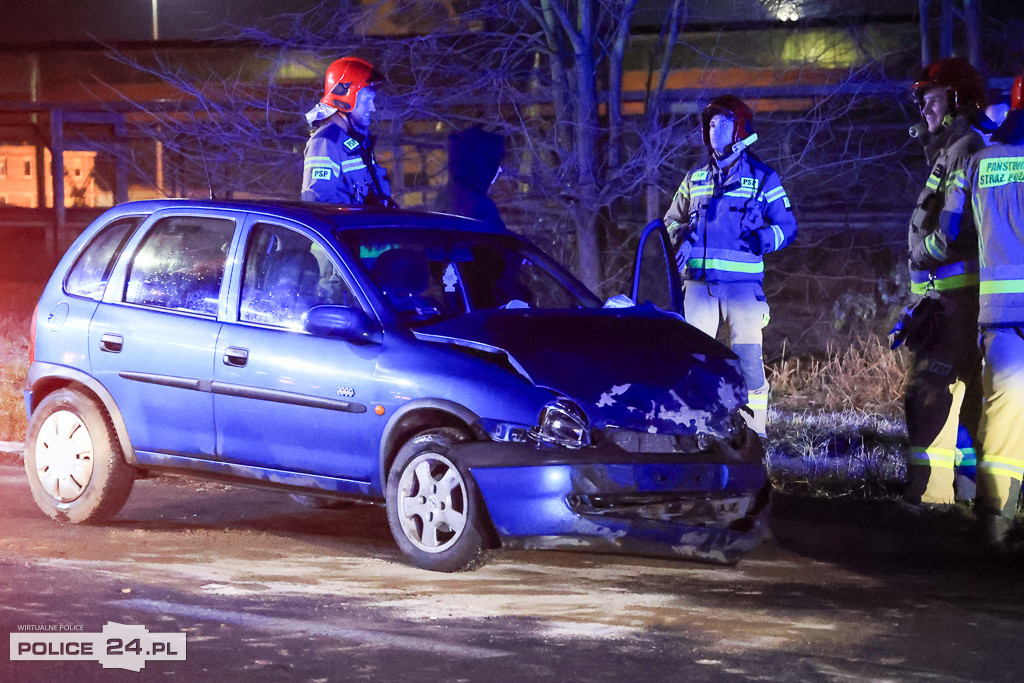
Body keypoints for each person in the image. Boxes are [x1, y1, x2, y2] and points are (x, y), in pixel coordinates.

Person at [663, 95, 797, 437]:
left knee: (749, 364)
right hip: (697, 287)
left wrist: (764, 240)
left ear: (739, 130)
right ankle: (694, 433)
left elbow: (788, 226)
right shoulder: (694, 180)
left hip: (742, 289)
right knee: (692, 362)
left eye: (722, 123)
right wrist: (682, 237)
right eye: (710, 124)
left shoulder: (764, 179)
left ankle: (755, 434)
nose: (713, 130)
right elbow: (669, 222)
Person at [929, 72, 1024, 547]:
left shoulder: (980, 161)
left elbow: (949, 234)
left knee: (1005, 415)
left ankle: (995, 523)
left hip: (999, 312)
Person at [900, 59, 988, 508]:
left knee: (927, 395)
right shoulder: (952, 148)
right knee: (962, 399)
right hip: (948, 300)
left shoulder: (964, 147)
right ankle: (962, 495)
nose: (925, 110)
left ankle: (924, 499)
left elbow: (955, 232)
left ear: (958, 100)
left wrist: (919, 256)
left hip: (953, 301)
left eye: (932, 99)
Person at [301, 56, 395, 207]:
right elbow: (316, 206)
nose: (372, 108)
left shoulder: (353, 141)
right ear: (345, 101)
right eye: (366, 101)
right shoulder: (325, 142)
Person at [435, 126, 505, 228]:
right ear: (481, 165)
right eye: (493, 164)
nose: (500, 170)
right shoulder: (480, 207)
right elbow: (502, 241)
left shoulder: (445, 199)